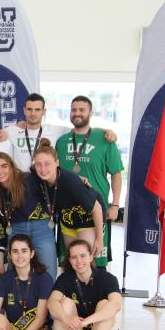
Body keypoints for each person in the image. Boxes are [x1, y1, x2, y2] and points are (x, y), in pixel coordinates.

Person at [55, 96, 124, 268]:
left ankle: (98, 294)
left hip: (96, 209)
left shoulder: (105, 139)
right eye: (74, 109)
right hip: (67, 212)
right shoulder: (61, 141)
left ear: (90, 113)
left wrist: (115, 205)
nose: (77, 113)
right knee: (70, 262)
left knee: (95, 261)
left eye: (81, 110)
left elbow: (116, 173)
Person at [46, 239, 122, 330]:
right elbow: (51, 303)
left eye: (82, 256)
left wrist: (87, 321)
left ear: (91, 256)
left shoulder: (108, 278)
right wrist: (66, 318)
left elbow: (116, 305)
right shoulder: (64, 278)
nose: (78, 261)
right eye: (74, 257)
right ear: (69, 260)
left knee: (105, 304)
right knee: (64, 303)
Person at [0, 152, 58, 279]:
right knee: (17, 276)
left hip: (42, 228)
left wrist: (78, 178)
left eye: (4, 166)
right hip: (16, 230)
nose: (0, 171)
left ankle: (49, 299)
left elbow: (54, 177)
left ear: (11, 167)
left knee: (49, 272)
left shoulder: (28, 178)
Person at [32, 140, 106, 259]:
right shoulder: (37, 175)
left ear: (57, 163)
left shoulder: (71, 183)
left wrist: (99, 239)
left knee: (84, 259)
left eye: (47, 163)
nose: (43, 169)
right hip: (68, 221)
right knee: (73, 260)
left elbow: (96, 208)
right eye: (38, 164)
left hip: (87, 219)